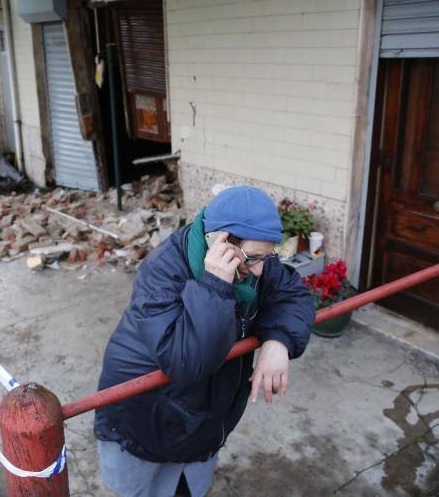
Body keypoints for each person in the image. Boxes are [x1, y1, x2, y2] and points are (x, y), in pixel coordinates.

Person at [94, 185, 315, 497]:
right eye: (253, 258)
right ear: (220, 242)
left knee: (188, 482)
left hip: (199, 413)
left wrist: (278, 341)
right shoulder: (162, 271)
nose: (260, 269)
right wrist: (214, 286)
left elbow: (292, 294)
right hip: (146, 410)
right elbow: (186, 362)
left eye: (268, 256)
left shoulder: (255, 260)